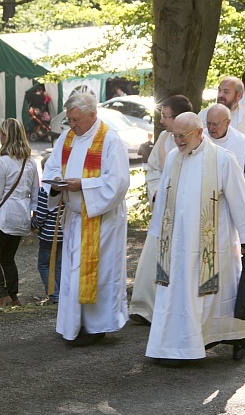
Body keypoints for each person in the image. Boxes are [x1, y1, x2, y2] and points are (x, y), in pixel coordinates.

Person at [146, 112, 245, 365]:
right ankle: (176, 347)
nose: (177, 141)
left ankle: (241, 335)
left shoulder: (222, 159)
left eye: (182, 135)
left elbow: (240, 200)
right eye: (174, 135)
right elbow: (163, 200)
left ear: (199, 133)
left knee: (217, 297)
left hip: (212, 245)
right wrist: (156, 234)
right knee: (177, 294)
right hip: (176, 245)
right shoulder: (174, 158)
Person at [43, 92, 130, 346]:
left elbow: (118, 182)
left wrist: (83, 184)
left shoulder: (110, 140)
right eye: (69, 119)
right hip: (74, 218)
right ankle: (73, 324)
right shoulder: (67, 138)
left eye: (77, 119)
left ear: (93, 115)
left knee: (97, 273)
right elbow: (52, 167)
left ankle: (96, 326)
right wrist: (57, 184)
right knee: (72, 272)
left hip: (101, 221)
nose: (72, 125)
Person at [129, 95, 192, 325]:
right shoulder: (164, 139)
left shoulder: (194, 138)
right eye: (163, 116)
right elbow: (154, 169)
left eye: (167, 117)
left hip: (186, 208)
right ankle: (146, 306)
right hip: (164, 205)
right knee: (155, 253)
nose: (163, 121)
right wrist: (156, 191)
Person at [0, 118, 39, 308]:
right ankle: (13, 296)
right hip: (22, 216)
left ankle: (1, 295)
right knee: (7, 257)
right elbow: (35, 194)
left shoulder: (2, 162)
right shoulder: (30, 163)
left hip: (5, 216)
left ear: (5, 136)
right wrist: (33, 215)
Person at [199, 76, 245, 147]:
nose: (220, 95)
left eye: (226, 92)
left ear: (239, 96)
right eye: (219, 90)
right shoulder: (204, 114)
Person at [32, 154, 63, 305]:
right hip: (63, 233)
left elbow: (42, 214)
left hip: (48, 234)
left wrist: (34, 225)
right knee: (57, 265)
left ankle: (53, 294)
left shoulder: (45, 189)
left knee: (44, 265)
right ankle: (60, 294)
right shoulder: (64, 187)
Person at [204, 103, 245, 184]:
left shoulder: (244, 143)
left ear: (227, 122)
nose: (211, 128)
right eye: (208, 123)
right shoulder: (200, 139)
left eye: (215, 124)